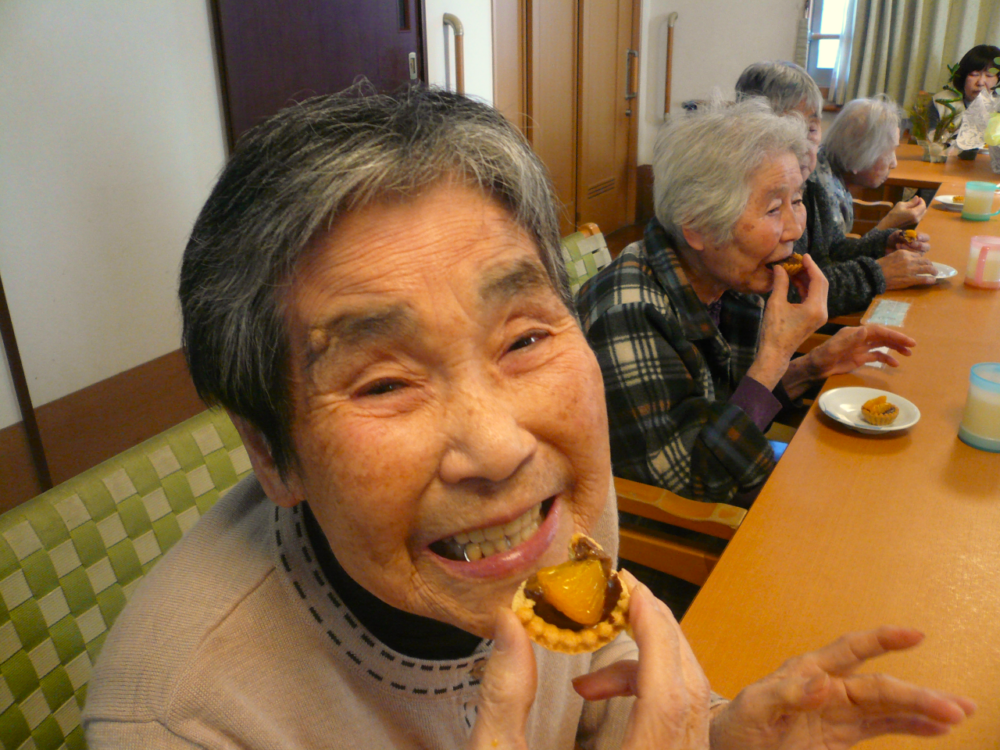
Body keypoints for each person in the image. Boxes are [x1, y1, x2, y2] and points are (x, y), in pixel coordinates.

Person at [82, 86, 974, 749]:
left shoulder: (549, 518)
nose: (503, 449)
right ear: (271, 454)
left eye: (522, 338)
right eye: (385, 383)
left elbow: (601, 708)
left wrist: (727, 731)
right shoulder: (183, 722)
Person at [576, 97, 917, 507]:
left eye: (796, 200)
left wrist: (812, 366)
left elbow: (734, 407)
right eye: (773, 208)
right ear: (698, 226)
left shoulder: (730, 277)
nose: (794, 228)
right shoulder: (627, 311)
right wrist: (776, 353)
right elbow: (697, 477)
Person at [736, 62, 934, 318]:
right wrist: (877, 273)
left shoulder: (810, 186)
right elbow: (786, 295)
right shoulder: (745, 198)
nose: (805, 147)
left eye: (811, 129)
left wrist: (882, 244)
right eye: (786, 130)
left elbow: (831, 252)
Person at [927, 44, 1000, 137]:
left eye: (989, 75)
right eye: (974, 74)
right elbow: (925, 137)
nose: (980, 82)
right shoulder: (941, 101)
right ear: (963, 76)